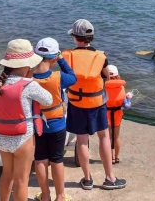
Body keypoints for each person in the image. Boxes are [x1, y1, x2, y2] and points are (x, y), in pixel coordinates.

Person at [0, 39, 53, 201]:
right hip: (23, 139)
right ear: (25, 66)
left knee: (7, 175)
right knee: (22, 180)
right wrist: (33, 80)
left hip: (1, 136)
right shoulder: (29, 86)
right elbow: (48, 100)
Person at [63, 19, 126, 190]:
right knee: (104, 137)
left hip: (76, 103)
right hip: (97, 103)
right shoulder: (101, 56)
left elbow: (65, 78)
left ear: (75, 38)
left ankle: (87, 179)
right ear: (91, 37)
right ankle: (110, 178)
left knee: (82, 140)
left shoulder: (66, 55)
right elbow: (106, 76)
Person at [32, 38, 77, 201]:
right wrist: (62, 60)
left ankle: (45, 196)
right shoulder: (58, 77)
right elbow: (73, 77)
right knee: (57, 160)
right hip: (57, 124)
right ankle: (60, 196)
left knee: (40, 159)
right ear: (54, 58)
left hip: (38, 125)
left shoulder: (29, 77)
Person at [105, 65, 131, 164]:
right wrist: (129, 99)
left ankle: (110, 157)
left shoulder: (104, 87)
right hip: (117, 114)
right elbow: (126, 105)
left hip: (106, 113)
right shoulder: (121, 88)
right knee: (116, 136)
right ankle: (116, 157)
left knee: (108, 137)